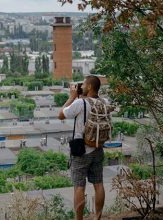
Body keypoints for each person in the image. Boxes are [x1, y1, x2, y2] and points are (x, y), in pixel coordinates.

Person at [58, 75, 106, 220]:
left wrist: (72, 97)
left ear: (90, 87)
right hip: (98, 147)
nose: (82, 87)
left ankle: (79, 219)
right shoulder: (104, 102)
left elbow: (60, 115)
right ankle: (97, 217)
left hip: (81, 150)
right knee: (98, 184)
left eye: (84, 84)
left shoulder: (79, 103)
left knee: (79, 186)